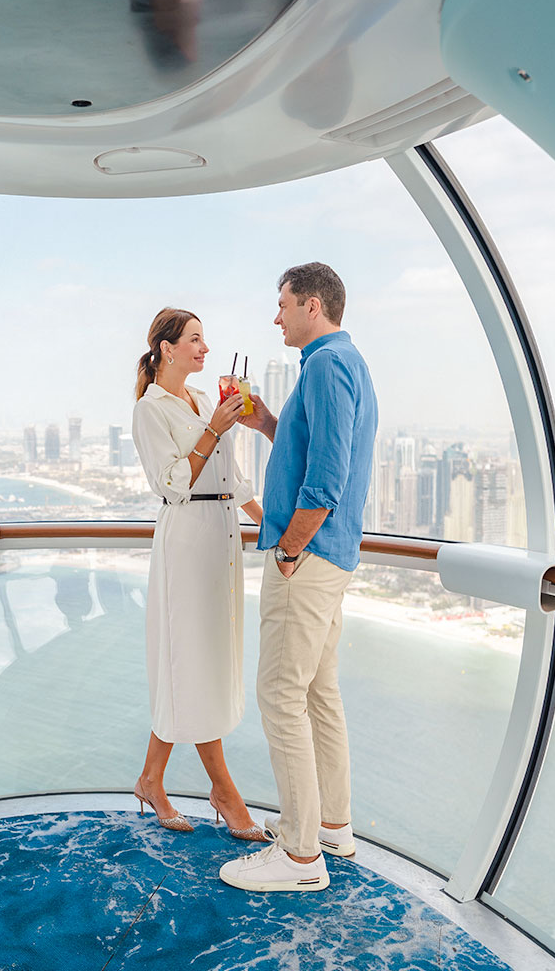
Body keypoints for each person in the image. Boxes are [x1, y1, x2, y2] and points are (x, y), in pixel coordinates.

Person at [219, 262, 377, 892]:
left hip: (307, 558)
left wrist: (288, 549)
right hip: (329, 557)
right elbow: (310, 447)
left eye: (282, 304)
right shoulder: (340, 363)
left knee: (280, 695)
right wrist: (263, 421)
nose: (275, 317)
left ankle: (300, 856)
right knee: (317, 694)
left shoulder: (326, 364)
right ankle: (331, 828)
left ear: (313, 305)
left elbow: (328, 475)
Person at [130, 307, 267, 841]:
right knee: (192, 660)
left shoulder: (205, 399)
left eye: (205, 340)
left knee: (200, 659)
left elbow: (234, 478)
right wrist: (212, 430)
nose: (204, 349)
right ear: (167, 349)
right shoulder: (151, 410)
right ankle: (225, 793)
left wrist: (271, 527)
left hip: (221, 536)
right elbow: (171, 484)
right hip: (187, 539)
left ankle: (151, 779)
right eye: (194, 339)